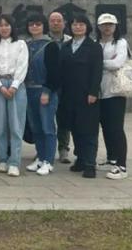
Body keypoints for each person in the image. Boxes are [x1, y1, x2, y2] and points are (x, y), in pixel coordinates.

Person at [58, 14, 103, 179]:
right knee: (75, 127)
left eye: (81, 24)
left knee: (89, 129)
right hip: (69, 95)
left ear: (87, 27)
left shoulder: (94, 47)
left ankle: (90, 163)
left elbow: (97, 71)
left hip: (86, 95)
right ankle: (81, 159)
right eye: (75, 24)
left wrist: (93, 92)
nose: (77, 27)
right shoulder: (66, 46)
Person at [0, 14, 29, 177]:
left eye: (7, 25)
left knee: (16, 125)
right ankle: (2, 159)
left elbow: (22, 65)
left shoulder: (20, 44)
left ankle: (14, 161)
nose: (4, 28)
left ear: (12, 27)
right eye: (0, 25)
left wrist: (13, 86)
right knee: (0, 125)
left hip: (16, 85)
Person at [24, 13, 61, 176]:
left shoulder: (51, 45)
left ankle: (49, 161)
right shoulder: (25, 44)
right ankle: (40, 157)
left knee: (48, 127)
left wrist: (47, 91)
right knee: (36, 127)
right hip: (29, 90)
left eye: (38, 24)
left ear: (43, 26)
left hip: (45, 91)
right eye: (31, 24)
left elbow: (55, 72)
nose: (34, 27)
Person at [96, 13, 130, 180]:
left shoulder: (121, 43)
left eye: (110, 24)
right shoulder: (96, 43)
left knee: (116, 128)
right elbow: (109, 63)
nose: (107, 27)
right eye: (104, 24)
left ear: (116, 26)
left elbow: (118, 63)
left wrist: (98, 63)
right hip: (99, 92)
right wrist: (107, 62)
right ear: (99, 27)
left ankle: (122, 166)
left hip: (116, 91)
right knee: (106, 127)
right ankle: (112, 158)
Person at [49, 11, 73, 164]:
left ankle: (63, 149)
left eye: (59, 20)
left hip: (66, 86)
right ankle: (44, 149)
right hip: (48, 85)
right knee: (46, 119)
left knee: (64, 119)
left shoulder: (71, 41)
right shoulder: (44, 40)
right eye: (53, 21)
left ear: (64, 23)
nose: (56, 23)